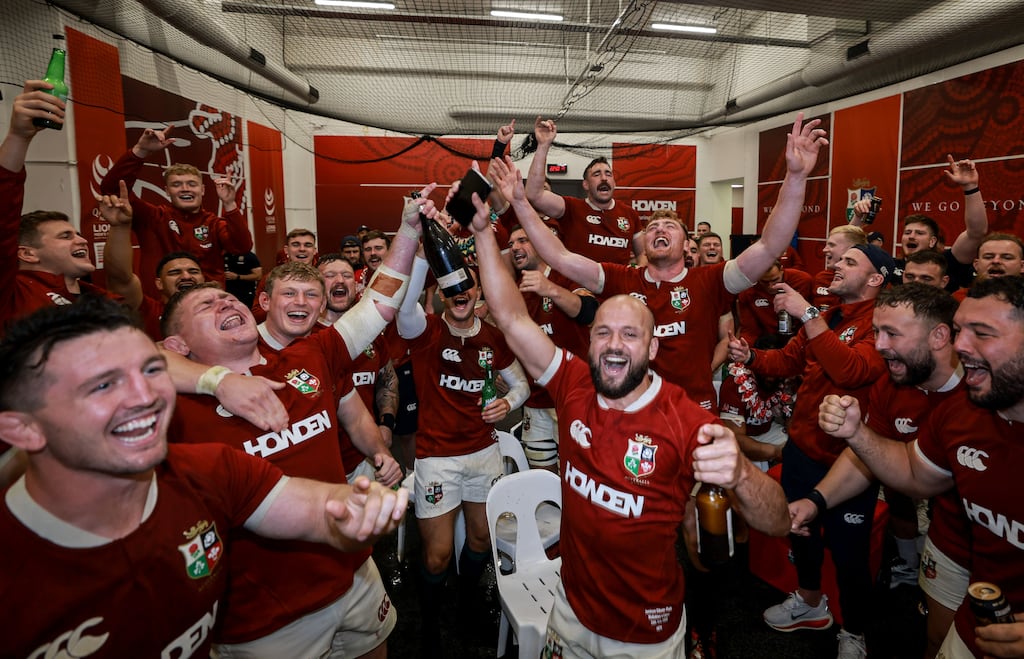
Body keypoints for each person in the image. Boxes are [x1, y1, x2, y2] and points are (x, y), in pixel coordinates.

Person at [464, 181, 790, 657]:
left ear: (652, 348)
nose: (615, 344)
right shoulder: (572, 384)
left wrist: (740, 472)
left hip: (643, 638)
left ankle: (709, 625)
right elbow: (512, 318)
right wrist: (482, 234)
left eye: (630, 335)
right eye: (603, 333)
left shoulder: (685, 422)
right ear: (588, 341)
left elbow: (778, 521)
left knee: (703, 538)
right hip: (569, 614)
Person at [0, 296, 407, 658]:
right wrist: (217, 380)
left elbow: (317, 509)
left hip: (351, 587)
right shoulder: (16, 575)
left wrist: (360, 508)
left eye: (151, 371)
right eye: (103, 385)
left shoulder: (209, 470)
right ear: (22, 429)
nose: (146, 397)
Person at [157, 187, 429, 657]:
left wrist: (406, 228)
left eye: (227, 300)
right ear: (176, 346)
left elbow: (380, 304)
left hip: (352, 571)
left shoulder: (309, 355)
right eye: (206, 307)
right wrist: (217, 381)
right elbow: (94, 366)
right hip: (265, 618)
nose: (226, 304)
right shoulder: (170, 406)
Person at [499, 112, 830, 412]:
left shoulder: (712, 280)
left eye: (669, 226)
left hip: (693, 410)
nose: (659, 228)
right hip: (636, 409)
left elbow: (770, 245)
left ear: (688, 245)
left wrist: (796, 177)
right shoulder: (623, 279)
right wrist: (520, 202)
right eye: (653, 226)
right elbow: (558, 256)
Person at [818, 275, 1024, 659]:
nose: (961, 346)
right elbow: (914, 474)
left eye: (982, 333)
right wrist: (855, 434)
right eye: (962, 331)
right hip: (968, 572)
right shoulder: (962, 412)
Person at [727, 243, 895, 658]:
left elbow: (852, 371)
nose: (835, 265)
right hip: (801, 449)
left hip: (849, 463)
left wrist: (807, 313)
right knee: (800, 531)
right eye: (838, 259)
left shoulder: (882, 325)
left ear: (876, 279)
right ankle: (810, 601)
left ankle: (853, 631)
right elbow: (786, 361)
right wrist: (752, 356)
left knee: (850, 554)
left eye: (849, 262)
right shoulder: (831, 316)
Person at [788, 283, 968, 658]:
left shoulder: (986, 389)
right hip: (952, 536)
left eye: (892, 334)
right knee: (942, 643)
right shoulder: (890, 383)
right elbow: (877, 460)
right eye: (877, 331)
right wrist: (817, 501)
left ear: (939, 336)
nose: (880, 344)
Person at [396, 242, 530, 656]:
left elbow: (522, 383)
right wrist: (421, 255)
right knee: (436, 557)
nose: (460, 293)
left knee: (479, 540)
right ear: (439, 294)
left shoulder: (492, 338)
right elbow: (403, 311)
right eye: (450, 288)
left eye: (467, 287)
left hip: (484, 454)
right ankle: (432, 626)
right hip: (437, 459)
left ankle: (466, 605)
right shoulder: (427, 332)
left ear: (477, 295)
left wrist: (508, 402)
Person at [99, 125, 253, 296]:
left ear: (202, 190)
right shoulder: (152, 217)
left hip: (207, 307)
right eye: (176, 184)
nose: (185, 189)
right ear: (167, 191)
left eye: (192, 184)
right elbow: (112, 189)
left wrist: (230, 204)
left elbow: (242, 247)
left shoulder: (214, 224)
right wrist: (140, 151)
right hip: (163, 308)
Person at [508, 225, 596, 470]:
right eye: (511, 243)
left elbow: (588, 311)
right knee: (542, 482)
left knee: (579, 477)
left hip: (573, 400)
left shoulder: (564, 276)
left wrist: (550, 289)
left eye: (523, 240)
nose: (515, 247)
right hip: (536, 403)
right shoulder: (517, 290)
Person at [849, 155, 987, 290]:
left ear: (932, 241)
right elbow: (848, 250)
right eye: (907, 232)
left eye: (919, 233)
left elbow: (976, 233)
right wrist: (858, 218)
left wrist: (970, 187)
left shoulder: (947, 263)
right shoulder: (889, 265)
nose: (911, 236)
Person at [526, 117, 644, 266]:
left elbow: (642, 254)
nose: (603, 178)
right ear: (586, 185)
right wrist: (543, 146)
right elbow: (534, 194)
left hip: (618, 289)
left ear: (614, 182)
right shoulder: (571, 208)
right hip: (578, 288)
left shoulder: (630, 214)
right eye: (596, 174)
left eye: (608, 174)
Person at [736, 258, 813, 346]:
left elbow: (815, 317)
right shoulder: (747, 291)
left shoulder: (803, 281)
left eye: (775, 280)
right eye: (764, 282)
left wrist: (801, 339)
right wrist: (742, 347)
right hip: (767, 341)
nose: (771, 286)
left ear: (782, 270)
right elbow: (749, 331)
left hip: (800, 338)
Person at [251, 228, 318, 321]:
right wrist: (283, 306)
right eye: (296, 245)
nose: (302, 249)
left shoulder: (326, 276)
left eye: (307, 245)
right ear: (286, 250)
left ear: (314, 251)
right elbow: (257, 314)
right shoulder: (271, 278)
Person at [952, 231, 1024, 301]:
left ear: (1022, 266)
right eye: (988, 257)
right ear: (976, 265)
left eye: (1007, 258)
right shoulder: (959, 299)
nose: (996, 261)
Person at [811, 225, 866, 310]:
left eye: (832, 245)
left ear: (852, 249)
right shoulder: (821, 278)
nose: (824, 250)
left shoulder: (866, 283)